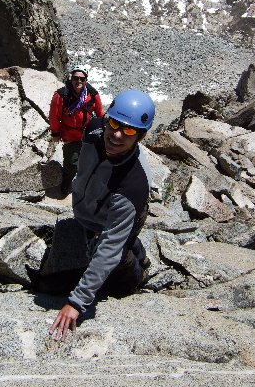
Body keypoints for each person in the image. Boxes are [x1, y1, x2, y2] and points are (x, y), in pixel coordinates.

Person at [48, 89, 156, 341]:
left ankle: (136, 273)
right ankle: (138, 251)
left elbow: (109, 247)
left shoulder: (133, 184)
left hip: (124, 211)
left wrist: (76, 302)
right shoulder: (93, 130)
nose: (117, 135)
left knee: (117, 258)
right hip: (93, 209)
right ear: (107, 120)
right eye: (115, 124)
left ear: (141, 136)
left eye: (129, 131)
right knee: (112, 240)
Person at [48, 65, 104, 195]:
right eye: (75, 78)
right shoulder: (61, 95)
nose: (79, 81)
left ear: (86, 80)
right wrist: (55, 133)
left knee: (89, 161)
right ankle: (66, 183)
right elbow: (54, 116)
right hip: (70, 135)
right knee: (72, 163)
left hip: (87, 134)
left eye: (82, 79)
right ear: (71, 78)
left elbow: (100, 113)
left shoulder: (92, 94)